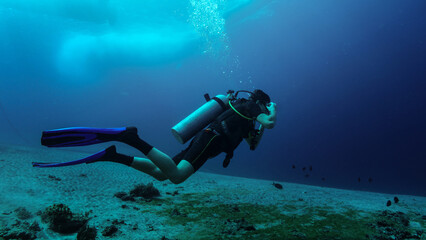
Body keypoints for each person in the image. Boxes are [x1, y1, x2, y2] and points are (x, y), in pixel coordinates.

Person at [33, 89, 277, 184]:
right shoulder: (252, 107)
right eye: (265, 105)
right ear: (261, 102)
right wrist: (272, 110)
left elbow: (253, 145)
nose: (265, 110)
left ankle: (114, 156)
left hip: (208, 140)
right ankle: (131, 138)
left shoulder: (246, 117)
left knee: (162, 174)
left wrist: (259, 128)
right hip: (210, 140)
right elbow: (270, 122)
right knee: (177, 176)